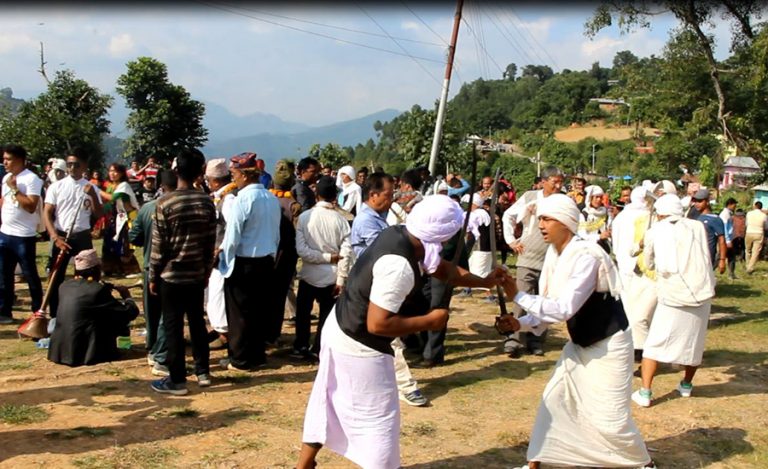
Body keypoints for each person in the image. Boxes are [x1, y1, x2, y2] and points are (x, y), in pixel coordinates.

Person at [297, 195, 506, 469]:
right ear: (442, 236)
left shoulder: (403, 235)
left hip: (340, 326)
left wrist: (484, 282)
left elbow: (442, 269)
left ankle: (304, 464)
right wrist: (429, 321)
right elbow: (378, 324)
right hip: (359, 345)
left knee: (327, 398)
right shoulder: (399, 265)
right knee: (378, 420)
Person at [498, 193, 652, 469]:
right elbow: (549, 302)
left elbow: (564, 308)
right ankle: (536, 463)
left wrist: (517, 296)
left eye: (546, 219)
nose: (541, 225)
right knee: (554, 400)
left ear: (566, 222)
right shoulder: (555, 255)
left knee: (611, 419)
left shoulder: (586, 256)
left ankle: (642, 463)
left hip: (609, 344)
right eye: (539, 218)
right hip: (580, 343)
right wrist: (519, 324)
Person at [632, 194, 716, 408]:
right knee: (694, 343)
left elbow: (648, 264)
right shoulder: (697, 227)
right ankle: (686, 385)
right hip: (702, 292)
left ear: (660, 213)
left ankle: (645, 392)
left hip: (673, 295)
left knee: (654, 345)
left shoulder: (655, 231)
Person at [149, 148, 216, 396]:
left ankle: (177, 380)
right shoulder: (206, 202)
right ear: (200, 173)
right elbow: (210, 244)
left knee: (173, 326)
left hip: (171, 276)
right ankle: (203, 372)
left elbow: (159, 247)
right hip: (197, 274)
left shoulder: (165, 203)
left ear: (176, 171)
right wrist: (207, 271)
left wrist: (153, 277)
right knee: (197, 321)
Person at [217, 152, 281, 372]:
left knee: (239, 313)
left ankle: (240, 359)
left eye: (234, 173)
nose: (232, 178)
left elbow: (233, 235)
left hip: (244, 262)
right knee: (258, 311)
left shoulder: (243, 199)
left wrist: (224, 257)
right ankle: (257, 355)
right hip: (265, 261)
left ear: (244, 175)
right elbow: (276, 233)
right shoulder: (271, 198)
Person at [501, 165, 564, 357]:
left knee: (543, 301)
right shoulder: (530, 197)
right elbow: (508, 216)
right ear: (543, 182)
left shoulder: (563, 201)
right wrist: (511, 241)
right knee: (521, 299)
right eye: (555, 182)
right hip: (528, 257)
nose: (559, 186)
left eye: (561, 182)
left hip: (550, 259)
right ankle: (513, 339)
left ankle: (536, 341)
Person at [292, 176, 352, 360]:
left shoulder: (304, 217)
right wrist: (341, 278)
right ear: (335, 196)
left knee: (303, 313)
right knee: (326, 315)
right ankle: (320, 347)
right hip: (331, 276)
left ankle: (300, 346)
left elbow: (302, 250)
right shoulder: (341, 221)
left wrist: (322, 257)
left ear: (316, 195)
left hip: (309, 273)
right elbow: (346, 253)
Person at [47, 249, 139, 366]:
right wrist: (127, 297)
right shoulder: (97, 290)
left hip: (60, 351)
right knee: (115, 317)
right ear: (96, 269)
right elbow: (129, 313)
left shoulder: (64, 286)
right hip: (85, 353)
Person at [43, 147, 103, 318]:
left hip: (82, 235)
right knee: (56, 277)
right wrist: (55, 237)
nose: (72, 168)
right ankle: (55, 316)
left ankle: (86, 314)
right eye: (69, 164)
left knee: (88, 278)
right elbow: (47, 213)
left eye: (76, 165)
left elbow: (98, 214)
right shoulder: (57, 186)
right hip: (61, 235)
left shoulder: (91, 187)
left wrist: (92, 195)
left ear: (84, 166)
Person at [129, 170, 177, 376]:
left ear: (160, 186)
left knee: (151, 311)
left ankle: (151, 348)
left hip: (150, 265)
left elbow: (134, 236)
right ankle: (162, 351)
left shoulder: (147, 208)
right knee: (168, 313)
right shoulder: (177, 207)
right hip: (172, 269)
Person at [0, 145, 44, 324]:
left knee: (30, 274)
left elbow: (31, 205)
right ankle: (4, 311)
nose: (5, 162)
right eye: (4, 159)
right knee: (4, 275)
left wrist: (15, 189)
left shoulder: (31, 179)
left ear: (19, 159)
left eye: (8, 159)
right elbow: (4, 201)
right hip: (5, 232)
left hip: (23, 235)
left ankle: (37, 311)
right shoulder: (6, 178)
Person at [611, 187, 655, 360]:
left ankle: (629, 341)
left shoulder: (621, 216)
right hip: (642, 267)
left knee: (628, 304)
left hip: (624, 264)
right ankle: (639, 346)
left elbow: (615, 242)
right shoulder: (648, 217)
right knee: (641, 308)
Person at [266, 159, 302, 346]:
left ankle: (263, 332)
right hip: (286, 256)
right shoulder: (293, 206)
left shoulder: (266, 200)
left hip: (265, 254)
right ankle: (273, 334)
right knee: (279, 296)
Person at [203, 159, 237, 347]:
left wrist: (221, 248)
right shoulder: (220, 196)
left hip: (223, 257)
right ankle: (218, 328)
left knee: (218, 294)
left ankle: (224, 332)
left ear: (214, 181)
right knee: (213, 293)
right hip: (217, 256)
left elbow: (232, 229)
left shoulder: (229, 199)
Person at [98, 163, 141, 276]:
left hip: (128, 217)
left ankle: (129, 269)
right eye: (111, 171)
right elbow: (109, 204)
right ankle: (110, 269)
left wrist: (96, 190)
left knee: (124, 244)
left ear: (121, 174)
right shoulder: (110, 186)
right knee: (109, 243)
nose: (112, 173)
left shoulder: (124, 185)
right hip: (115, 217)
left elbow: (112, 198)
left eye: (115, 171)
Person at [691, 188, 727, 274]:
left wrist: (722, 260)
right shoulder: (696, 217)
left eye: (699, 201)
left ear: (707, 202)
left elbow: (722, 240)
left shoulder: (715, 219)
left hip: (707, 256)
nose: (697, 204)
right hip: (694, 255)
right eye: (695, 201)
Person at [745, 201, 767, 274]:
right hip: (759, 233)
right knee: (755, 252)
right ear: (761, 207)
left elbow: (746, 224)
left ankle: (747, 264)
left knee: (748, 250)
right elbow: (766, 227)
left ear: (755, 206)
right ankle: (750, 268)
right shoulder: (764, 216)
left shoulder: (749, 213)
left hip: (749, 232)